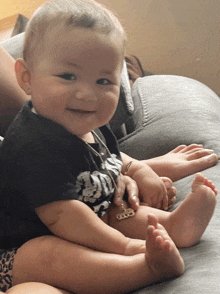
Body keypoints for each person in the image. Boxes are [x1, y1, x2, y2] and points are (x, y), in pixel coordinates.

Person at [0, 0, 218, 293]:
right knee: (46, 253)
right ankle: (146, 267)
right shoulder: (30, 144)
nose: (89, 93)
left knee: (118, 210)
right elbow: (64, 216)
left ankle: (175, 227)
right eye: (68, 76)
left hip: (88, 217)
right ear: (26, 77)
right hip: (21, 247)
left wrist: (138, 170)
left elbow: (111, 161)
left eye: (104, 80)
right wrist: (126, 246)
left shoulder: (83, 120)